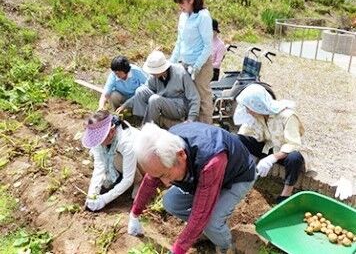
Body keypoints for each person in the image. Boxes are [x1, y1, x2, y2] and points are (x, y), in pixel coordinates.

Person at [127, 122, 256, 254]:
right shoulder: (164, 147)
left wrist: (177, 250)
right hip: (205, 176)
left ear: (181, 155)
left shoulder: (210, 160)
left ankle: (226, 246)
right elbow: (150, 178)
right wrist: (134, 214)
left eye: (166, 175)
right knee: (171, 202)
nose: (165, 183)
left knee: (211, 222)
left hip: (237, 176)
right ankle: (206, 231)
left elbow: (201, 213)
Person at [233, 84, 305, 203]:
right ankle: (241, 177)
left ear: (258, 104)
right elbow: (247, 133)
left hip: (284, 153)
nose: (247, 111)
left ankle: (285, 195)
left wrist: (272, 158)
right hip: (268, 147)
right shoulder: (258, 115)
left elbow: (294, 144)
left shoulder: (287, 116)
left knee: (294, 158)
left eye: (249, 108)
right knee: (239, 139)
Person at [117, 50, 200, 126]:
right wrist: (125, 105)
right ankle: (140, 121)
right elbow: (144, 91)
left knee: (154, 99)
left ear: (162, 70)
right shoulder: (154, 77)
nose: (151, 73)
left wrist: (191, 119)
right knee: (140, 91)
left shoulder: (180, 72)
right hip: (163, 99)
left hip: (179, 107)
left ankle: (147, 128)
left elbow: (194, 97)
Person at [81, 110, 142, 211]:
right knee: (99, 155)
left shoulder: (125, 141)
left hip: (141, 158)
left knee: (116, 159)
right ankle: (116, 176)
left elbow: (128, 178)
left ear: (112, 131)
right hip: (123, 158)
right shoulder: (99, 141)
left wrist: (104, 199)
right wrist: (92, 195)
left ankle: (139, 181)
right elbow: (99, 167)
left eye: (100, 140)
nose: (98, 143)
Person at [170, 0, 214, 124]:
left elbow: (208, 46)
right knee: (189, 97)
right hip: (185, 63)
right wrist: (172, 62)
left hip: (201, 64)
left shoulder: (203, 16)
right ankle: (192, 128)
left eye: (182, 2)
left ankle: (207, 129)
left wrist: (196, 67)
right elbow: (179, 41)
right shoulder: (183, 16)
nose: (180, 6)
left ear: (191, 0)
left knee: (202, 97)